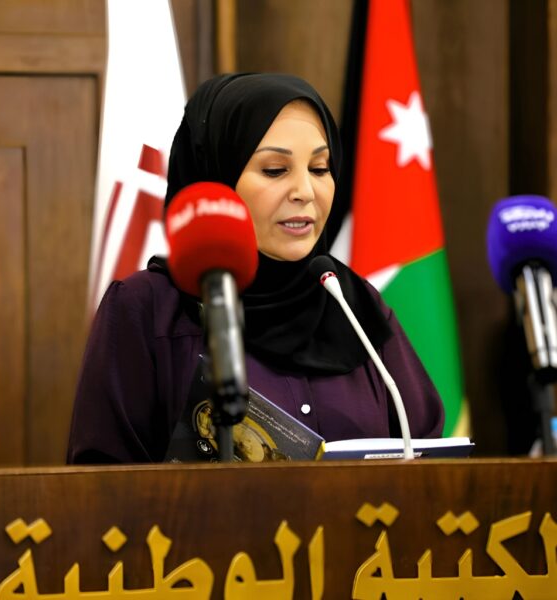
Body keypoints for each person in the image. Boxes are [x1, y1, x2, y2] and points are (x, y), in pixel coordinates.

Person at [67, 73, 444, 464]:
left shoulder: (354, 303)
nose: (305, 192)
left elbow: (430, 459)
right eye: (275, 170)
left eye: (319, 168)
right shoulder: (147, 309)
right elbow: (101, 481)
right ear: (216, 179)